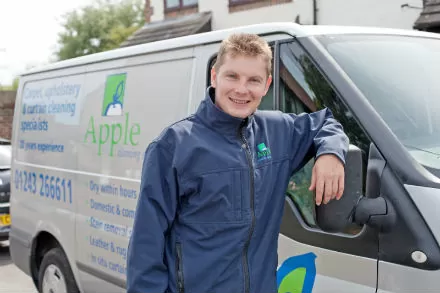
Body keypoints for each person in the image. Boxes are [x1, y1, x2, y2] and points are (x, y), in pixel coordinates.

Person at [126, 33, 349, 293]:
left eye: (253, 80)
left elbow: (326, 122)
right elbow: (146, 243)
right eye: (232, 76)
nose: (241, 89)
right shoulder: (173, 146)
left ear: (266, 85)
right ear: (214, 76)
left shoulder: (277, 131)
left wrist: (331, 154)